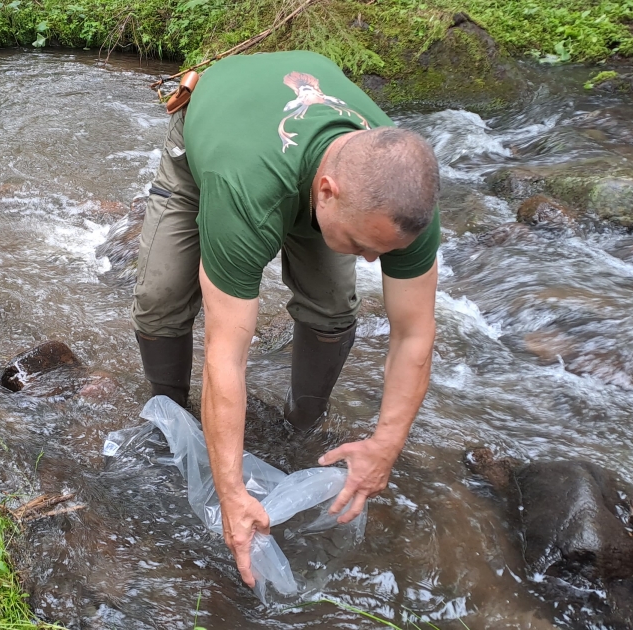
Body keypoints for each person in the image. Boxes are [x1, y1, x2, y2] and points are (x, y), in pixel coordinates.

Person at [131, 51, 441, 588]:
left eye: (382, 251)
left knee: (334, 304)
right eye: (365, 246)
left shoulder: (403, 203)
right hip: (217, 145)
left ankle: (304, 423)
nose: (373, 262)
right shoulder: (244, 184)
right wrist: (231, 494)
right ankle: (169, 416)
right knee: (161, 297)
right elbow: (225, 352)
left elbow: (414, 334)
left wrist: (384, 447)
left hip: (316, 172)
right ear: (327, 193)